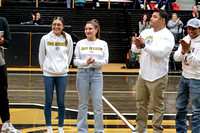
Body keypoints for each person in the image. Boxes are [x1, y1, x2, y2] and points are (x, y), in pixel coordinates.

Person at [131, 10, 174, 133]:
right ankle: (140, 129)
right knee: (141, 104)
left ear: (162, 20)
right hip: (143, 75)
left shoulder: (167, 35)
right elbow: (135, 50)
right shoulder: (145, 32)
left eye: (155, 17)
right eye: (151, 16)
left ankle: (156, 130)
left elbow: (160, 53)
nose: (151, 19)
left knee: (157, 106)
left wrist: (143, 45)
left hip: (158, 75)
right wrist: (136, 44)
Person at [38, 16, 73, 133]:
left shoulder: (68, 38)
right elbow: (41, 55)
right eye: (54, 24)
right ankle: (49, 127)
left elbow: (69, 55)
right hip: (48, 74)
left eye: (58, 25)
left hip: (62, 74)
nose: (56, 27)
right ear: (51, 25)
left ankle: (60, 127)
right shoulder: (45, 38)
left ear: (62, 26)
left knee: (61, 102)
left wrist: (64, 67)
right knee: (48, 101)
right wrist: (45, 69)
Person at [74, 19, 109, 133]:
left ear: (96, 30)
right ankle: (82, 130)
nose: (87, 31)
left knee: (98, 104)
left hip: (97, 75)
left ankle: (99, 130)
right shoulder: (80, 44)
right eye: (86, 29)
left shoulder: (103, 44)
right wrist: (86, 63)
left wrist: (94, 62)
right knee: (82, 104)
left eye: (90, 29)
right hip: (82, 74)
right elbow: (75, 61)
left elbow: (105, 61)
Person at [174, 18, 200, 133]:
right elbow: (176, 58)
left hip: (197, 80)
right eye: (189, 28)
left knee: (196, 111)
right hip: (184, 78)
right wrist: (183, 51)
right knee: (180, 108)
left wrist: (188, 51)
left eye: (193, 29)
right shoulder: (185, 39)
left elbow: (197, 63)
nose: (190, 31)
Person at [0, 17, 21, 133]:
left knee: (2, 95)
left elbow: (8, 42)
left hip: (0, 64)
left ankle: (6, 123)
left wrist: (2, 42)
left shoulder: (2, 21)